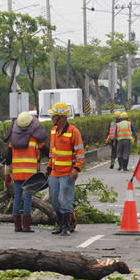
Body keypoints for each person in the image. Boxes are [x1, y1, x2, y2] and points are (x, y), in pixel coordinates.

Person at [4, 111, 48, 232]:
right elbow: (46, 151)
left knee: (17, 197)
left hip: (17, 173)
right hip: (30, 174)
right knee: (27, 198)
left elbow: (8, 158)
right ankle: (27, 226)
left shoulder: (12, 139)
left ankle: (17, 226)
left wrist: (7, 174)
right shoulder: (35, 138)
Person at [46, 101, 85, 236]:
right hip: (55, 173)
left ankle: (66, 227)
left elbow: (80, 153)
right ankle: (60, 225)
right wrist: (49, 168)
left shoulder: (74, 132)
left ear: (61, 117)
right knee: (55, 200)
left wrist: (76, 169)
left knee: (65, 200)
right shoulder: (53, 131)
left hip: (67, 173)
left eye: (53, 116)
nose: (51, 118)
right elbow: (53, 152)